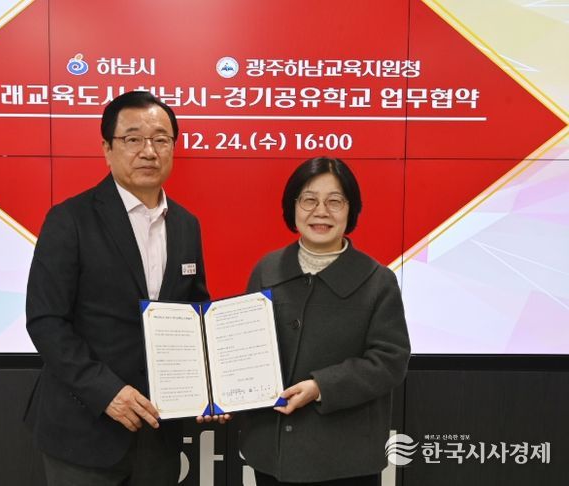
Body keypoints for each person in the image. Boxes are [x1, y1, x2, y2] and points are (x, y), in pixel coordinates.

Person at [24, 91, 210, 486]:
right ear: (107, 149)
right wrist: (106, 391)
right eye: (133, 139)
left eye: (161, 139)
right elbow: (46, 320)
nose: (149, 151)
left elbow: (194, 311)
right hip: (83, 428)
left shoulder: (186, 224)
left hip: (158, 430)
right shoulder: (70, 219)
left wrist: (212, 386)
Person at [240, 157, 411, 486]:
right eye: (309, 200)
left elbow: (390, 361)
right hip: (273, 454)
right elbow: (244, 347)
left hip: (345, 460)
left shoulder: (377, 280)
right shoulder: (267, 269)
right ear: (293, 207)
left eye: (334, 201)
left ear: (350, 210)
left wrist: (321, 387)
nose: (321, 212)